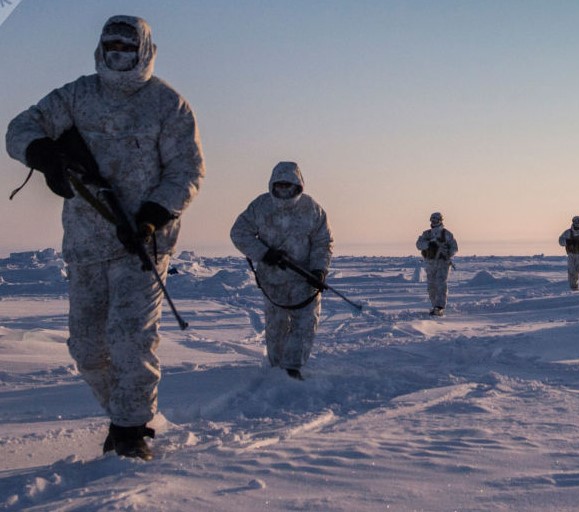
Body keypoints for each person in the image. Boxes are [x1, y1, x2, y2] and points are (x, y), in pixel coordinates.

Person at [4, 16, 205, 460]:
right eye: (110, 45)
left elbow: (187, 171)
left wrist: (152, 215)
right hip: (85, 243)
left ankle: (132, 431)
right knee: (87, 345)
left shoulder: (168, 105)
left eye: (125, 47)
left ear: (143, 50)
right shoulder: (76, 95)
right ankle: (124, 414)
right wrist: (45, 155)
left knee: (130, 336)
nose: (117, 53)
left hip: (142, 244)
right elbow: (20, 127)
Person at [230, 161, 333, 381]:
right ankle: (277, 369)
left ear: (297, 185)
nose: (284, 189)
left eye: (288, 185)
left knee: (305, 324)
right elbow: (239, 233)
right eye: (280, 185)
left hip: (304, 280)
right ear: (273, 184)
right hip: (272, 280)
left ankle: (292, 367)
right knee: (276, 326)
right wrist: (265, 254)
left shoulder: (312, 209)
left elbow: (323, 242)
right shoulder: (260, 206)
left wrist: (318, 270)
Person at [415, 212, 458, 316]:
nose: (434, 221)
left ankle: (439, 307)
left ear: (440, 220)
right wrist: (429, 244)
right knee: (431, 286)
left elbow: (454, 248)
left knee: (441, 284)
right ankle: (435, 306)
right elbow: (419, 245)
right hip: (430, 263)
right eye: (432, 219)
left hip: (442, 262)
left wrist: (448, 253)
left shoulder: (446, 234)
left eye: (436, 219)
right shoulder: (427, 234)